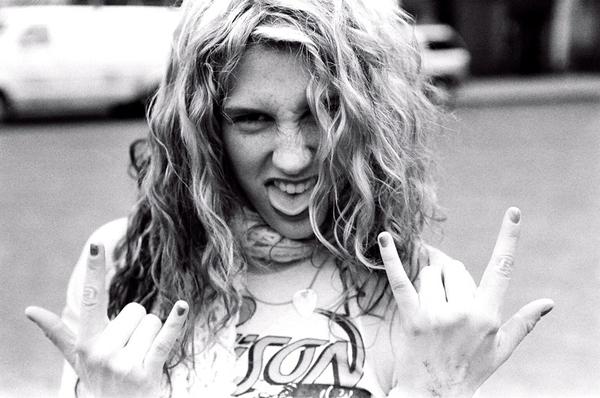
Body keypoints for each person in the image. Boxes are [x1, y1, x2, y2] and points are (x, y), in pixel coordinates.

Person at [25, 0, 554, 397]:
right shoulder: (126, 265)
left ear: (364, 122)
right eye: (252, 119)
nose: (294, 159)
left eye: (320, 113)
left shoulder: (422, 295)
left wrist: (430, 389)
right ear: (205, 130)